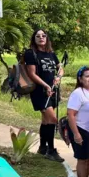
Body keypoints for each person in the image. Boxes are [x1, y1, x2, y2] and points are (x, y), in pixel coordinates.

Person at [24, 28, 64, 162]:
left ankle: (42, 147)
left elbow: (60, 68)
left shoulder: (51, 53)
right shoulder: (31, 53)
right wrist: (45, 85)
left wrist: (58, 77)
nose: (41, 38)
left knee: (46, 121)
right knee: (52, 119)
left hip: (52, 90)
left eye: (43, 36)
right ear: (34, 39)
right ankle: (51, 150)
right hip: (40, 91)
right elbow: (32, 73)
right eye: (38, 36)